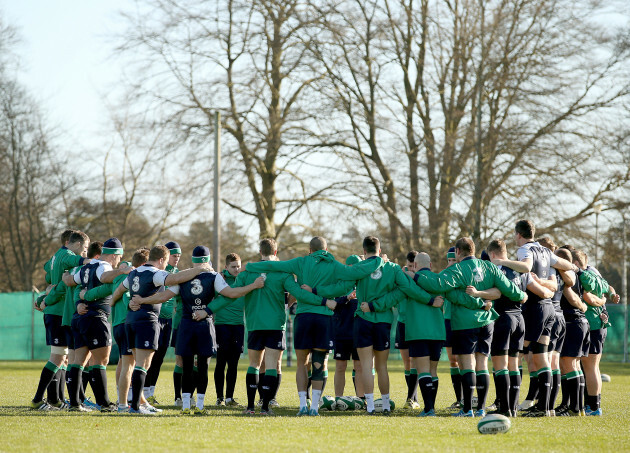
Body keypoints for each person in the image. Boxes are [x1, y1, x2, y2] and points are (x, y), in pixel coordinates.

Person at [245, 236, 384, 416]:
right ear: (326, 249)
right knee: (320, 362)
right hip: (324, 319)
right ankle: (314, 407)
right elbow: (351, 279)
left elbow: (273, 266)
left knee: (302, 364)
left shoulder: (300, 262)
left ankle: (303, 404)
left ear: (310, 250)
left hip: (303, 318)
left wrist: (249, 266)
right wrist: (378, 261)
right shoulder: (334, 264)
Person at [131, 245, 265, 414]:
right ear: (208, 260)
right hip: (205, 326)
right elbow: (231, 293)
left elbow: (163, 296)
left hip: (186, 325)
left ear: (193, 260)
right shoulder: (214, 276)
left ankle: (186, 406)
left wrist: (141, 300)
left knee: (186, 367)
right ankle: (200, 406)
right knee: (203, 367)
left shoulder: (183, 277)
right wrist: (253, 286)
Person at [412, 237, 527, 417]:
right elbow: (507, 287)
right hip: (487, 321)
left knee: (467, 364)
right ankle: (480, 408)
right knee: (482, 364)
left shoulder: (457, 269)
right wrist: (521, 295)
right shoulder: (488, 266)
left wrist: (415, 275)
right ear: (473, 250)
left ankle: (467, 410)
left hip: (465, 322)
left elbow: (437, 285)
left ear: (458, 252)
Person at [240, 238, 339, 416]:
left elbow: (231, 292)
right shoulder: (284, 274)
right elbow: (298, 293)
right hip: (276, 324)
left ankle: (249, 407)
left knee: (254, 365)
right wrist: (322, 300)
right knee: (272, 366)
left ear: (259, 252)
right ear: (276, 253)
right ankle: (265, 407)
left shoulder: (248, 272)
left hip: (254, 323)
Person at [493, 220, 578, 417]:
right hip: (549, 308)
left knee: (516, 356)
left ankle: (509, 405)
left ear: (518, 234)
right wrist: (573, 267)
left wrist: (503, 262)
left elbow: (525, 267)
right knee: (542, 357)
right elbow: (564, 264)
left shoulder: (524, 250)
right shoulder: (546, 251)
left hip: (534, 308)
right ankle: (546, 407)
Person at [111, 245, 209, 414]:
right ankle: (135, 407)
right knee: (143, 364)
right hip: (146, 321)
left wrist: (112, 302)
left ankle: (132, 404)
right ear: (162, 259)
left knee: (134, 365)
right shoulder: (155, 273)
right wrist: (199, 269)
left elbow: (120, 289)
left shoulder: (135, 272)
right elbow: (175, 279)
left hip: (130, 321)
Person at [350, 236, 437, 416]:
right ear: (380, 251)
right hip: (383, 322)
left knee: (366, 365)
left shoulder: (359, 267)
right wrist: (430, 300)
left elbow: (341, 285)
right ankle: (386, 406)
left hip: (363, 319)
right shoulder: (393, 268)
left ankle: (371, 407)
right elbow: (409, 288)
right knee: (382, 366)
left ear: (364, 251)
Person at [483, 239, 554, 416]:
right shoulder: (523, 271)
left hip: (503, 319)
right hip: (519, 320)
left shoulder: (496, 269)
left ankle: (505, 408)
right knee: (514, 365)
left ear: (492, 254)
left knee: (500, 365)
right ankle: (513, 408)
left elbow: (494, 294)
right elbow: (539, 293)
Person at [371, 252, 445, 417]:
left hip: (418, 331)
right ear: (431, 265)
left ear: (416, 266)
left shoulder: (409, 281)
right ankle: (430, 408)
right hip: (438, 332)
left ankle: (429, 409)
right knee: (433, 371)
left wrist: (373, 306)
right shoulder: (438, 280)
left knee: (423, 370)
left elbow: (392, 298)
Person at [31, 231, 91, 410]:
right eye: (85, 248)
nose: (84, 253)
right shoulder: (67, 255)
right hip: (57, 312)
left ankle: (55, 399)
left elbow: (47, 272)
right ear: (78, 244)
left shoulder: (56, 256)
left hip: (56, 312)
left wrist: (50, 288)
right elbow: (79, 262)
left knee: (62, 358)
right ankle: (37, 400)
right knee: (57, 358)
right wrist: (92, 262)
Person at [573, 250, 619, 416]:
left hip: (592, 324)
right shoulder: (594, 272)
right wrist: (610, 296)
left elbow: (589, 298)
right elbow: (608, 287)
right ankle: (593, 405)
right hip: (600, 323)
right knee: (592, 367)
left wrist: (602, 300)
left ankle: (592, 407)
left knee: (589, 367)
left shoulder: (584, 276)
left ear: (576, 263)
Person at [143, 241, 180, 405]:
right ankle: (142, 392)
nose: (176, 259)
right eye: (174, 256)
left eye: (179, 256)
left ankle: (151, 392)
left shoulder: (178, 273)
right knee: (150, 357)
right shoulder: (156, 272)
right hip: (154, 318)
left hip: (168, 320)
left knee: (160, 358)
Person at [212, 253, 246, 407]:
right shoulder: (218, 279)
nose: (237, 269)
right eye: (233, 267)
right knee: (221, 362)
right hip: (221, 325)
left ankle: (229, 398)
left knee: (233, 364)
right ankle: (219, 398)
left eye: (238, 266)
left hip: (238, 326)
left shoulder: (244, 279)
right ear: (226, 267)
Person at [331, 255, 364, 405]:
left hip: (359, 332)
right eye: (350, 268)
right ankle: (339, 399)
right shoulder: (340, 284)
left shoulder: (364, 283)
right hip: (341, 332)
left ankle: (361, 399)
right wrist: (347, 298)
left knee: (359, 366)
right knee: (340, 366)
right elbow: (333, 304)